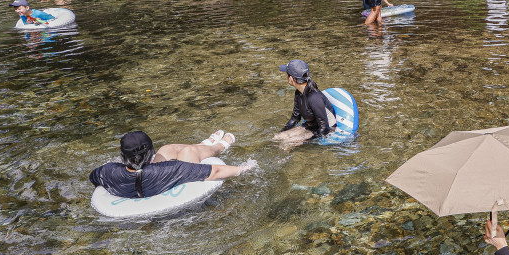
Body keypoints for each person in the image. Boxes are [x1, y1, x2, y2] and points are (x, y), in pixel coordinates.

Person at [89, 130, 253, 198]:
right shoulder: (171, 170)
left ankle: (202, 145)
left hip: (145, 182)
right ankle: (216, 147)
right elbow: (215, 172)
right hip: (163, 188)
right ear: (150, 152)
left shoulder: (108, 171)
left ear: (122, 156)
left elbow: (94, 177)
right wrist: (245, 168)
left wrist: (113, 170)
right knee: (189, 152)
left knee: (167, 150)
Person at [273, 59, 337, 148]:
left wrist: (305, 141)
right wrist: (282, 131)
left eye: (287, 74)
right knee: (277, 137)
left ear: (291, 78)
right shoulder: (298, 93)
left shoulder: (314, 98)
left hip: (326, 129)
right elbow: (295, 118)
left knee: (287, 143)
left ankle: (282, 160)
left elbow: (324, 129)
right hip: (311, 126)